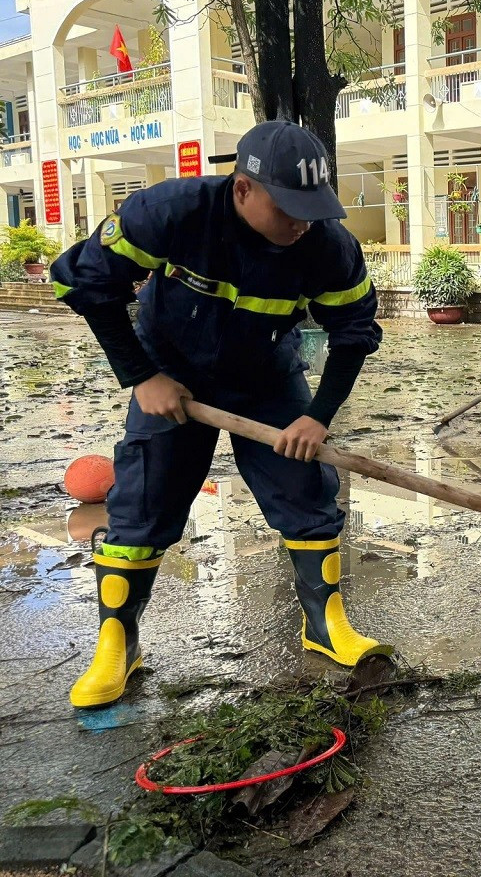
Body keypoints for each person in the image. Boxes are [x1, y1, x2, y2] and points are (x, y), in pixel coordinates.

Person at [51, 119, 390, 708]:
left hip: (267, 376)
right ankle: (117, 645)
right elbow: (86, 284)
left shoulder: (329, 246)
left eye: (312, 208)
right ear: (241, 189)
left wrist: (318, 415)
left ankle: (325, 624)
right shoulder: (170, 212)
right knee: (143, 502)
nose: (300, 223)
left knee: (304, 489)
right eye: (287, 208)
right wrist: (142, 377)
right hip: (170, 372)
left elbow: (355, 333)